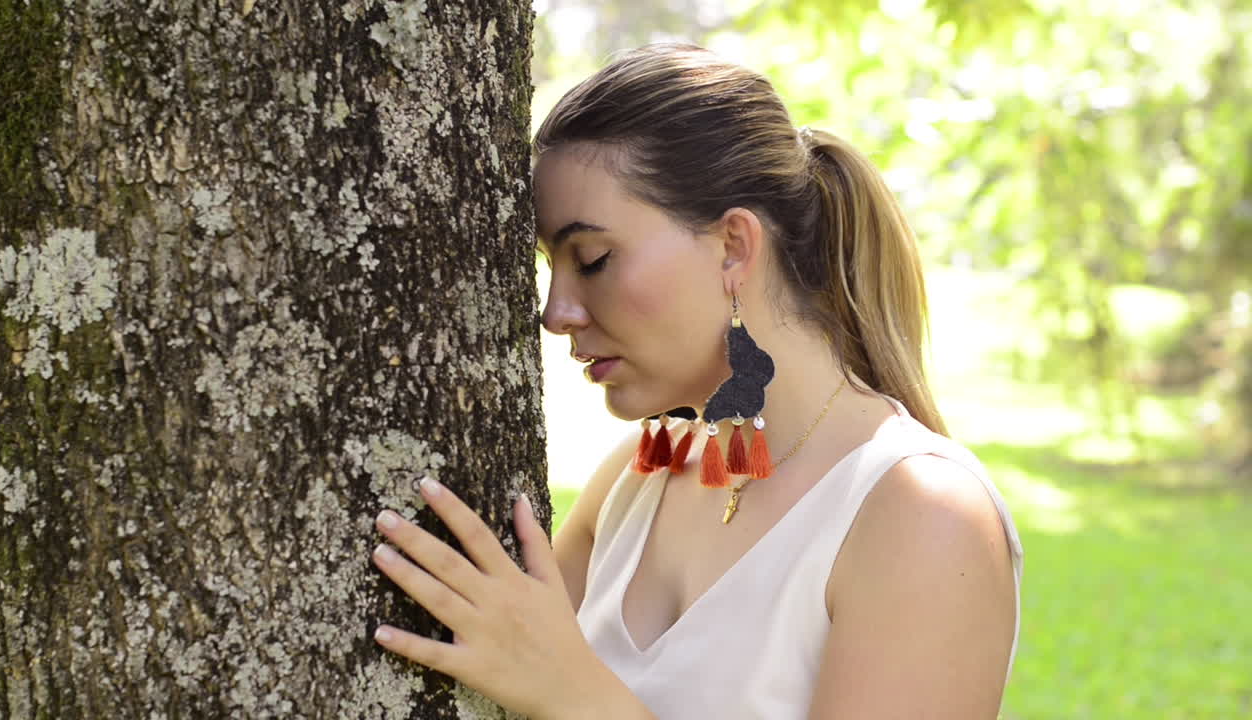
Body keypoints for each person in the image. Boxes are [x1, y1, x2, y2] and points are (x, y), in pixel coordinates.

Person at [368, 43, 1024, 719]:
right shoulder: (633, 483)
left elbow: (555, 685)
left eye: (591, 259)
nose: (555, 312)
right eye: (549, 266)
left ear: (734, 246)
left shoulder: (923, 516)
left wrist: (574, 695)